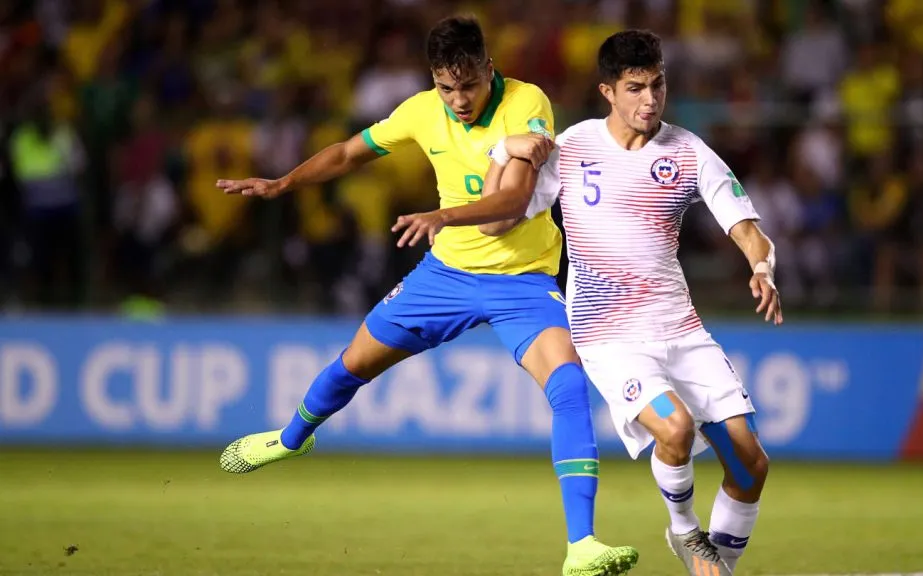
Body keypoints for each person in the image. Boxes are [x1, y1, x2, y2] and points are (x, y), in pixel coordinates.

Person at [214, 15, 638, 576]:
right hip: (445, 277)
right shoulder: (419, 110)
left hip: (523, 280)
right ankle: (292, 439)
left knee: (568, 385)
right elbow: (347, 154)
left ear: (488, 68)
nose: (458, 100)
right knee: (352, 365)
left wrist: (443, 214)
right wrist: (282, 183)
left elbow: (512, 203)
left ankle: (581, 545)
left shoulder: (526, 103)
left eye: (469, 85)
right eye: (446, 88)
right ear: (433, 79)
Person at [392, 30, 780, 576]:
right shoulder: (573, 147)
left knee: (750, 464)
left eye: (658, 85)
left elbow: (748, 230)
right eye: (636, 88)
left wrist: (761, 268)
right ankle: (685, 530)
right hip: (608, 334)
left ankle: (719, 567)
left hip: (681, 328)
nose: (650, 99)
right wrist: (502, 151)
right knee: (674, 428)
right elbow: (501, 218)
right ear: (608, 92)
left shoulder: (689, 152)